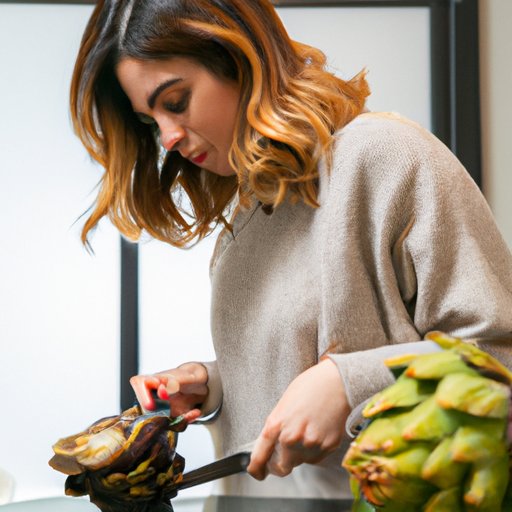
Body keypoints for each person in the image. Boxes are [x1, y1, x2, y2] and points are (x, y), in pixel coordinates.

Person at [70, 0, 512, 501]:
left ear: (239, 59)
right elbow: (296, 379)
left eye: (175, 102)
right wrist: (213, 384)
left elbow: (497, 359)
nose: (167, 138)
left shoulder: (385, 156)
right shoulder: (246, 216)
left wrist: (349, 384)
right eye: (151, 121)